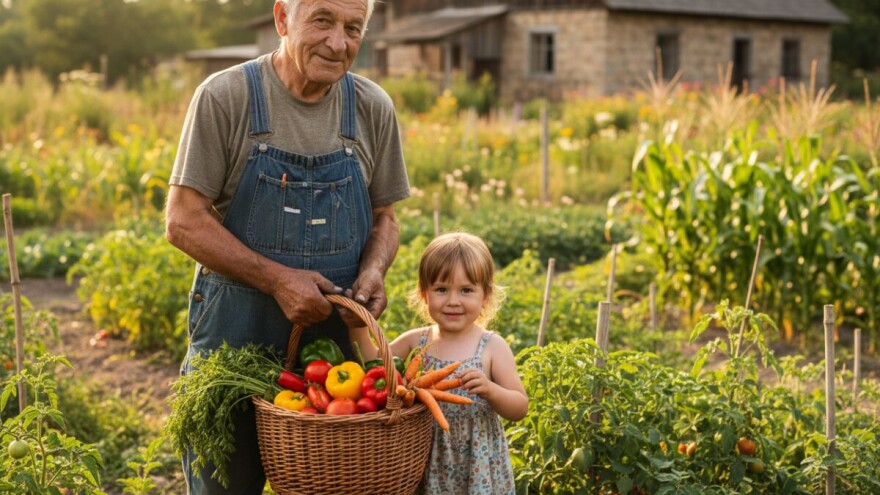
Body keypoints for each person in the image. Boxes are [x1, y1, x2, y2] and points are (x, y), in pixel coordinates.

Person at [164, 0, 410, 492]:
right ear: (282, 19)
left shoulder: (371, 107)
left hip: (331, 358)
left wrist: (374, 270)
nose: (339, 43)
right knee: (223, 484)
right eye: (322, 20)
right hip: (235, 344)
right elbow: (183, 221)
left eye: (353, 28)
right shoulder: (226, 97)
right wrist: (278, 280)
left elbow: (386, 218)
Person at [350, 232, 529, 495]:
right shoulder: (416, 342)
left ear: (486, 296)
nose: (453, 301)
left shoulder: (492, 347)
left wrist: (491, 390)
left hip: (477, 467)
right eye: (441, 289)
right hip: (426, 460)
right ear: (425, 294)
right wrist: (357, 326)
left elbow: (519, 406)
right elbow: (374, 363)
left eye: (466, 290)